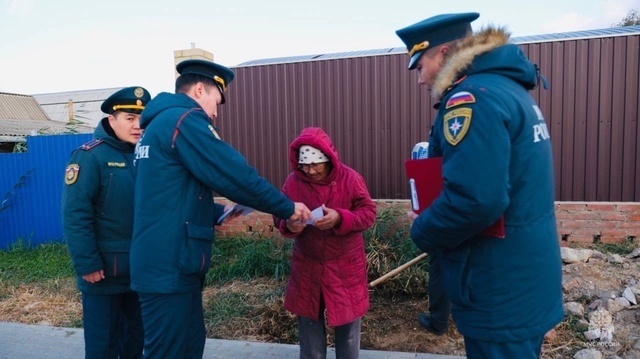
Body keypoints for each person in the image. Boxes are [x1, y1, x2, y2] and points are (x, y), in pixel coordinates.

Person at [395, 12, 564, 358]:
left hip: (497, 284)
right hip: (523, 279)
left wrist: (423, 229)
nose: (420, 79)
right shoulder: (508, 90)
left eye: (420, 65)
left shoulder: (471, 99)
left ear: (443, 54)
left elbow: (476, 200)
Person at [130, 59, 312, 358]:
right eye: (215, 101)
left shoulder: (157, 127)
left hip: (169, 262)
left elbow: (164, 195)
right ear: (199, 89)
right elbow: (233, 173)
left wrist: (217, 211)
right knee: (171, 351)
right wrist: (286, 207)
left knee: (187, 347)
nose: (215, 112)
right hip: (170, 265)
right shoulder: (184, 120)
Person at [62, 86, 151, 359]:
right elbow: (75, 215)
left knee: (135, 343)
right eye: (129, 118)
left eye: (142, 119)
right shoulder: (90, 156)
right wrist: (87, 263)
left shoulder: (145, 156)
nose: (137, 126)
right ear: (112, 120)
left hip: (140, 272)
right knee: (103, 347)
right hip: (103, 275)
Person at [273, 127, 376, 359]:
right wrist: (290, 225)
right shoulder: (293, 182)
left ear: (328, 159)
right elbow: (279, 214)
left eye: (315, 165)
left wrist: (340, 217)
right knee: (309, 333)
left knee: (348, 333)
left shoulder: (350, 178)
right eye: (304, 166)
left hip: (345, 267)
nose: (309, 171)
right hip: (308, 265)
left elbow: (368, 213)